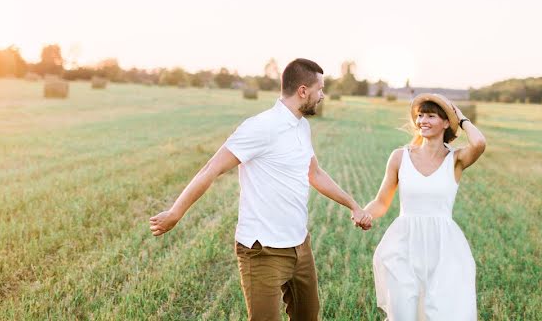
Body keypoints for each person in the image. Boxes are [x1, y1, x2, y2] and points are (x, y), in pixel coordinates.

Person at [149, 58, 372, 321]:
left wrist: (353, 205)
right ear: (303, 90)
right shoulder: (261, 127)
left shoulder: (302, 126)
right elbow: (212, 168)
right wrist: (176, 212)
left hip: (300, 246)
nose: (322, 95)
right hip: (262, 250)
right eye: (319, 89)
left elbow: (315, 173)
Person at [363, 93, 487, 321]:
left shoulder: (456, 160)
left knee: (439, 313)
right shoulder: (399, 157)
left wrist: (460, 116)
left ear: (446, 123)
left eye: (431, 116)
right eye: (420, 116)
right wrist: (364, 213)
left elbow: (479, 143)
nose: (422, 121)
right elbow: (382, 202)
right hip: (403, 246)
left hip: (444, 249)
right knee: (402, 313)